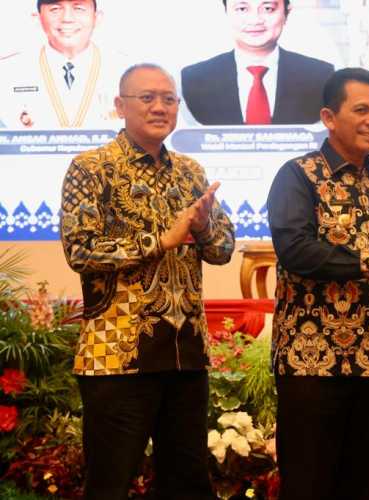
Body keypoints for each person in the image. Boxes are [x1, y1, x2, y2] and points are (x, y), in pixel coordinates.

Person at [60, 63, 235, 500]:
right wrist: (160, 241)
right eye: (147, 98)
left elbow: (223, 250)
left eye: (169, 99)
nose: (160, 107)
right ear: (120, 106)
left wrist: (201, 229)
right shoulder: (91, 168)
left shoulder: (191, 173)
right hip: (117, 358)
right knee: (110, 484)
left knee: (188, 485)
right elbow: (79, 250)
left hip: (185, 356)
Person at [267, 67, 369, 500]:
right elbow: (295, 250)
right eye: (361, 110)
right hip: (313, 366)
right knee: (309, 487)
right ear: (328, 116)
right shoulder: (297, 176)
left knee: (368, 487)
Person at [181, 0, 335, 126]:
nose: (255, 20)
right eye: (242, 9)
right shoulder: (194, 79)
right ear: (226, 12)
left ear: (286, 13)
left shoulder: (321, 77)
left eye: (268, 8)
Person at [0, 0, 126, 129]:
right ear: (37, 18)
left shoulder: (127, 70)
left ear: (97, 18)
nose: (67, 19)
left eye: (79, 8)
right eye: (55, 9)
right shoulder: (6, 71)